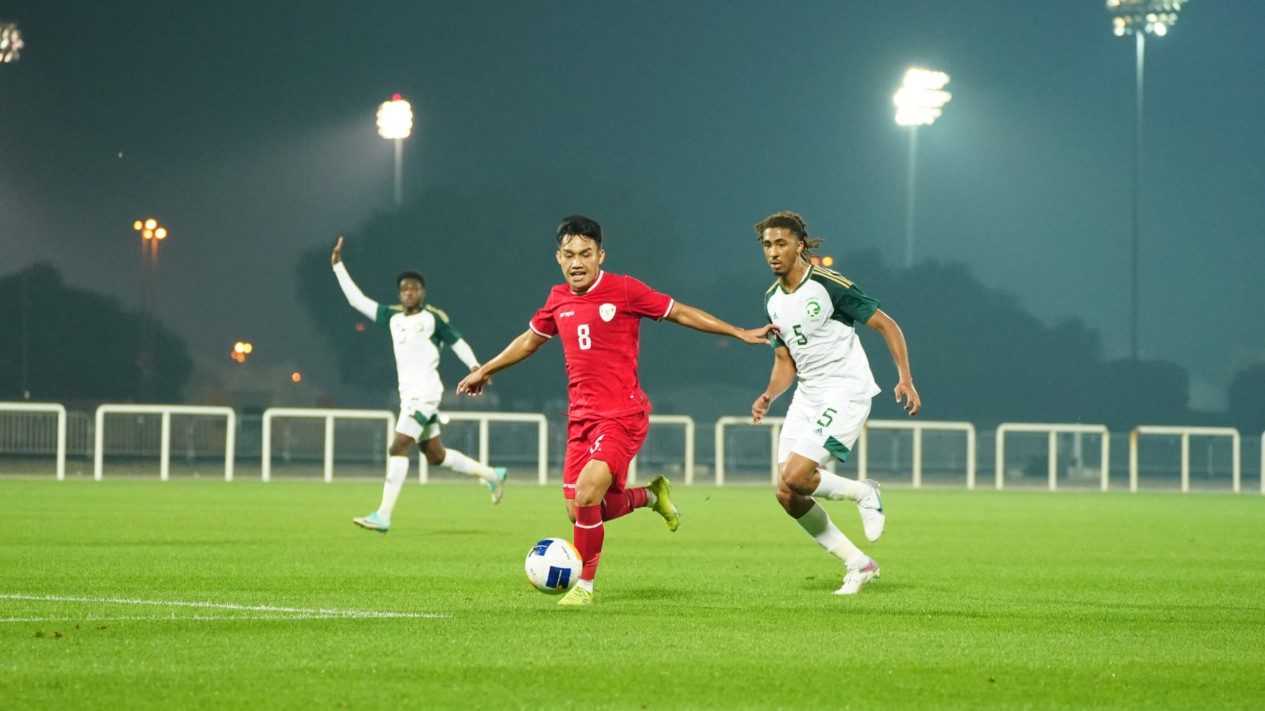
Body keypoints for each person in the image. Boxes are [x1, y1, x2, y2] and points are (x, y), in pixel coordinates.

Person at [457, 215, 775, 606]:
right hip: (580, 420)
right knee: (579, 512)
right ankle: (651, 497)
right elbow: (529, 341)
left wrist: (738, 332)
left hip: (622, 416)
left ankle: (584, 587)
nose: (577, 262)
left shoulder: (623, 290)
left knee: (589, 493)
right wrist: (485, 370)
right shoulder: (557, 299)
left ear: (600, 255)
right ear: (558, 257)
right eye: (570, 254)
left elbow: (680, 311)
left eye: (586, 254)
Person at [750, 211, 921, 595]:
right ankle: (859, 564)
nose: (773, 252)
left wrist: (904, 378)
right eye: (767, 245)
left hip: (845, 390)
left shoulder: (827, 284)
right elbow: (784, 361)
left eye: (780, 243)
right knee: (787, 492)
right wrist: (768, 395)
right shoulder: (772, 300)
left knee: (797, 476)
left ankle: (865, 492)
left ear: (799, 245)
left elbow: (886, 324)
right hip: (808, 395)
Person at [331, 236, 507, 533]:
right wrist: (338, 267)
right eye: (404, 289)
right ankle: (492, 474)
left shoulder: (432, 319)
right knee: (435, 455)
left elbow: (457, 342)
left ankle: (383, 515)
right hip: (409, 396)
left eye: (413, 288)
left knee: (399, 445)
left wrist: (476, 366)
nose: (408, 292)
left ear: (422, 292)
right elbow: (356, 301)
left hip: (425, 394)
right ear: (399, 294)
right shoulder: (392, 318)